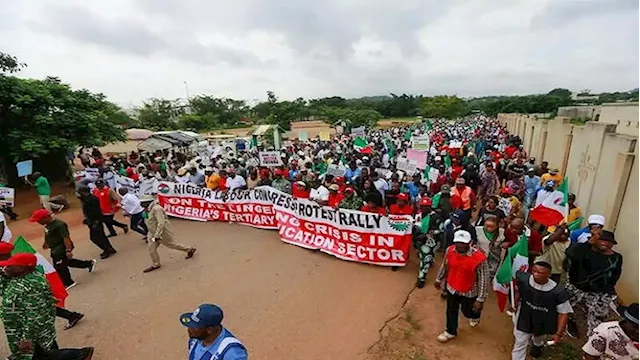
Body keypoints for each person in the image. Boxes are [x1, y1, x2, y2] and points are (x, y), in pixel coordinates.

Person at [0, 253, 94, 359]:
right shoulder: (19, 277)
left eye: (9, 266)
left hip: (32, 332)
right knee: (45, 351)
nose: (4, 268)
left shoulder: (31, 286)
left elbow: (35, 316)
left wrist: (27, 338)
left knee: (42, 355)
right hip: (26, 330)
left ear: (21, 268)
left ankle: (79, 354)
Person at [0, 243, 85, 331]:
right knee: (44, 305)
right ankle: (71, 316)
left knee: (35, 310)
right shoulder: (12, 263)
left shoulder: (8, 266)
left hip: (19, 293)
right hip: (22, 292)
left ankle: (70, 316)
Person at [565, 230, 623, 338]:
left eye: (609, 241)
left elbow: (615, 275)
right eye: (602, 240)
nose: (606, 243)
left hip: (599, 293)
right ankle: (571, 324)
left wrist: (607, 289)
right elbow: (571, 254)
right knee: (571, 309)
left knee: (598, 317)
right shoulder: (584, 251)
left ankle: (594, 340)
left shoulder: (616, 257)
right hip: (577, 289)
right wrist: (589, 242)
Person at [435, 230, 489, 343]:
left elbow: (484, 279)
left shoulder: (479, 258)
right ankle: (450, 331)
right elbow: (445, 265)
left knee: (468, 312)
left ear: (470, 242)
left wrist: (480, 299)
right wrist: (438, 279)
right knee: (451, 310)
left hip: (469, 291)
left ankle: (475, 315)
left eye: (463, 243)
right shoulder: (449, 250)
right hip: (452, 287)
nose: (460, 245)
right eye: (458, 242)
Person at [511, 261, 572, 359]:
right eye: (534, 271)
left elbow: (563, 313)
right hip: (524, 317)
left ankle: (537, 346)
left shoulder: (558, 292)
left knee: (539, 337)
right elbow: (519, 289)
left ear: (549, 274)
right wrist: (515, 301)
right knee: (520, 342)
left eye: (540, 273)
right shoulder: (524, 279)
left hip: (543, 321)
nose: (536, 274)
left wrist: (558, 334)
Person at [29, 209, 97, 290]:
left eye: (39, 220)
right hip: (54, 248)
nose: (38, 222)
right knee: (66, 262)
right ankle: (88, 264)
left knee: (60, 266)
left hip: (60, 248)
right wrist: (46, 242)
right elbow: (48, 234)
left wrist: (68, 250)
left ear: (45, 218)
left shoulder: (59, 225)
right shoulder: (48, 224)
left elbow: (66, 237)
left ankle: (69, 282)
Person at [142, 197, 197, 273]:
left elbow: (161, 223)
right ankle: (156, 264)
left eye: (142, 202)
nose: (140, 204)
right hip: (152, 233)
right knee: (151, 248)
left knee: (171, 244)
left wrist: (158, 235)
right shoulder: (147, 210)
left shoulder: (157, 209)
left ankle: (189, 249)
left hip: (162, 232)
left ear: (148, 202)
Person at [180, 304, 248, 360]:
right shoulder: (195, 338)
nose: (189, 329)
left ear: (209, 330)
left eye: (195, 327)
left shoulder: (232, 353)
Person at [78, 186, 118, 259]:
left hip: (95, 221)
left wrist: (95, 222)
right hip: (93, 220)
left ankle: (107, 249)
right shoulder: (89, 199)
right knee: (102, 236)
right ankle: (110, 248)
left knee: (95, 238)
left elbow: (96, 211)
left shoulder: (91, 199)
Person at [413, 197, 438, 288]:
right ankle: (430, 261)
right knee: (424, 257)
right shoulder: (418, 215)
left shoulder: (435, 217)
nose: (423, 208)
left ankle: (421, 278)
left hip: (430, 241)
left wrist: (428, 234)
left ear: (430, 206)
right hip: (418, 240)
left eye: (426, 206)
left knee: (425, 260)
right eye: (422, 206)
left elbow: (439, 230)